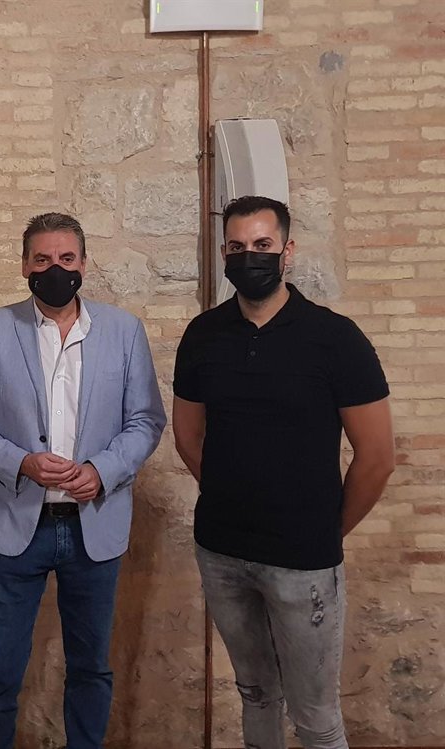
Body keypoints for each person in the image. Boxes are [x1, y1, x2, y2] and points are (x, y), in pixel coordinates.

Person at [172, 195, 395, 749]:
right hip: (221, 551)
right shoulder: (202, 335)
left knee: (316, 717)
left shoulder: (336, 339)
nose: (249, 256)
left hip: (304, 562)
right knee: (255, 695)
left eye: (262, 245)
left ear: (287, 251)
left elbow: (376, 456)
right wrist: (231, 494)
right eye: (237, 246)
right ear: (224, 254)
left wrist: (324, 530)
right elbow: (188, 437)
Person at [0, 212, 166, 749]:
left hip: (95, 526)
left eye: (66, 259)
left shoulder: (123, 331)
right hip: (17, 526)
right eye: (42, 259)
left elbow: (145, 420)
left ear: (84, 265)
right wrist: (22, 461)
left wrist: (102, 470)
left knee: (90, 668)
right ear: (25, 265)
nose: (55, 269)